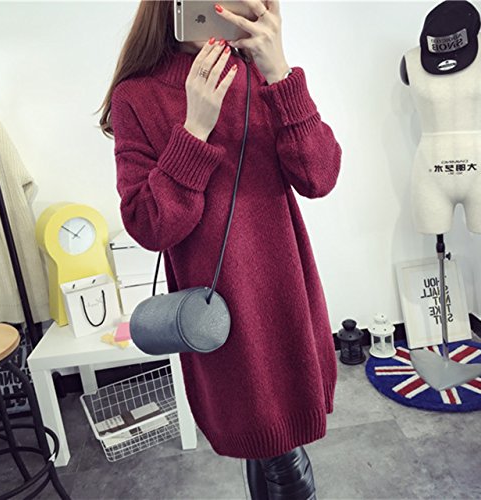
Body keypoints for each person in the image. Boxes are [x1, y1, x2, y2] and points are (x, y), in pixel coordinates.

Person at [99, 1, 342, 498]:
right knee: (269, 447)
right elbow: (150, 225)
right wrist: (195, 129)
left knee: (278, 449)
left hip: (286, 293)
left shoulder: (260, 72)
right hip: (220, 311)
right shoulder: (137, 95)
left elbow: (319, 177)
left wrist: (280, 73)